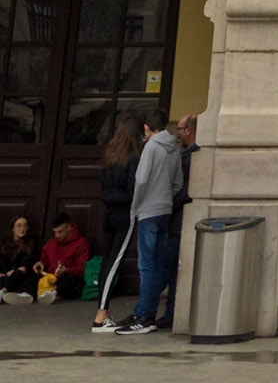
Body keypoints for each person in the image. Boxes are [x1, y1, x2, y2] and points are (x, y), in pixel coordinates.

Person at [115, 110, 181, 336]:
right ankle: (146, 314)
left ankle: (144, 316)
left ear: (146, 128)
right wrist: (165, 198)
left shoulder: (151, 147)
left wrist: (137, 205)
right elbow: (177, 183)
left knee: (147, 266)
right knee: (158, 264)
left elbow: (141, 179)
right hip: (165, 210)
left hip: (148, 211)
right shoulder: (174, 148)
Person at [92, 113, 142, 333]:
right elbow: (133, 192)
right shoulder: (133, 159)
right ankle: (101, 315)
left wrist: (111, 196)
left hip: (109, 214)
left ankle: (104, 312)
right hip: (125, 215)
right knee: (115, 262)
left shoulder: (109, 156)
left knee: (107, 262)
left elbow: (104, 190)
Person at [156, 115, 199, 329]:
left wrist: (167, 203)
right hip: (177, 219)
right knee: (170, 268)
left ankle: (163, 311)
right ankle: (168, 311)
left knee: (167, 267)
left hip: (179, 220)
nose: (177, 132)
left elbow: (186, 189)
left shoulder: (193, 156)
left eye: (180, 128)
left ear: (189, 130)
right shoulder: (186, 154)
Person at [35, 218, 88, 303]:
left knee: (72, 281)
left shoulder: (81, 243)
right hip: (51, 276)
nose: (57, 235)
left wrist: (66, 270)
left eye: (60, 232)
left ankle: (52, 294)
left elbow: (83, 268)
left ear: (69, 229)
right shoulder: (51, 243)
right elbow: (44, 262)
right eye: (55, 232)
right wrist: (40, 264)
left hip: (68, 276)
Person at [1, 215, 38, 303]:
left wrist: (17, 270)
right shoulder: (4, 244)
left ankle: (3, 292)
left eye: (25, 226)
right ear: (12, 228)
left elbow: (31, 261)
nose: (22, 229)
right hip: (7, 274)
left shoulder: (31, 243)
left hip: (21, 273)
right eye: (19, 226)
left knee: (22, 275)